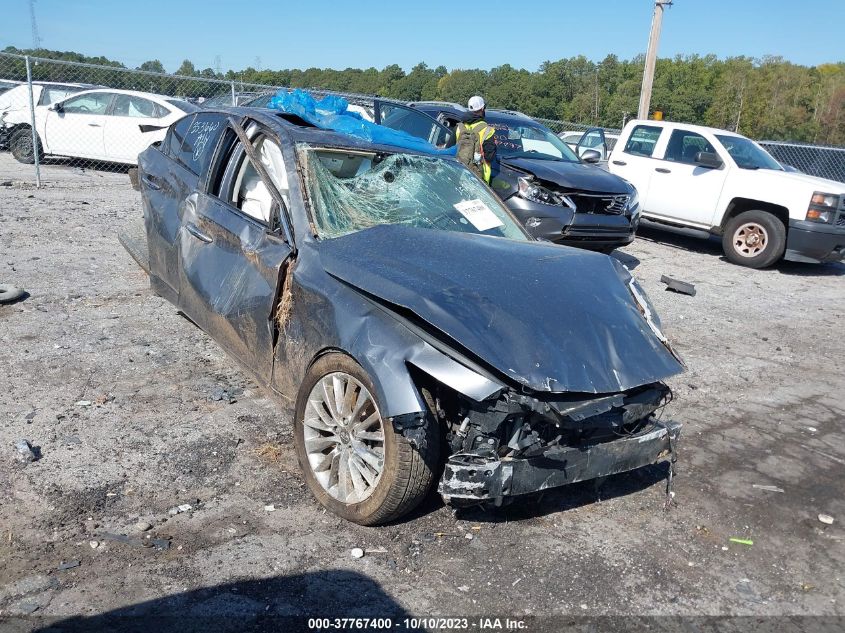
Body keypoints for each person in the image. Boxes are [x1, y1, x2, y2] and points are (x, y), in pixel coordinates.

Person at [455, 95, 497, 184]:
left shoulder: (458, 127)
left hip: (459, 175)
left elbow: (449, 150)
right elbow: (489, 157)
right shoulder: (487, 130)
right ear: (482, 109)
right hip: (480, 180)